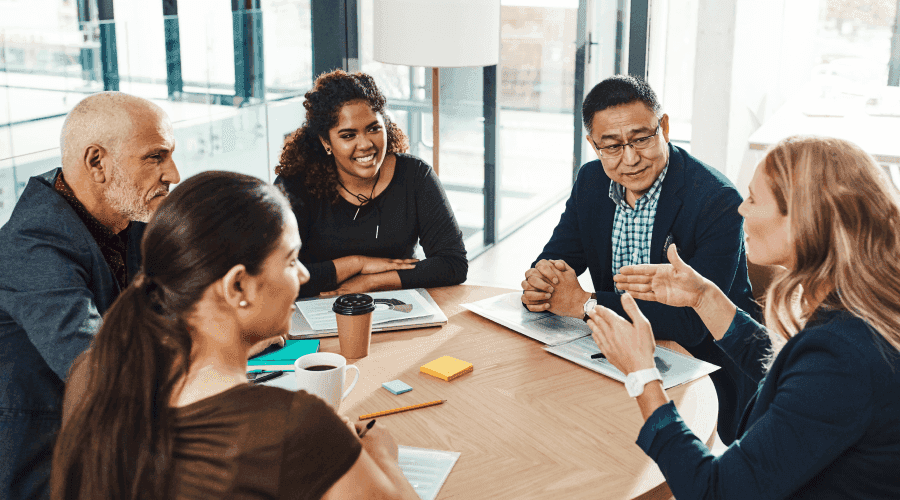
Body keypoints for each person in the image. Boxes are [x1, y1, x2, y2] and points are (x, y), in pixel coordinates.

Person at [51, 171, 420, 500]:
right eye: (291, 261)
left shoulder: (92, 373)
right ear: (238, 286)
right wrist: (382, 455)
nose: (305, 275)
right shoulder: (295, 427)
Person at [597, 136, 900, 499]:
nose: (741, 209)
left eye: (754, 199)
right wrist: (703, 297)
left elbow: (715, 492)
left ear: (804, 220)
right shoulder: (859, 307)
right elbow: (792, 378)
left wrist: (642, 375)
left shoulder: (843, 357)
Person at [520, 75, 756, 445]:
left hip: (698, 367)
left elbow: (693, 322)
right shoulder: (592, 181)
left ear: (663, 126)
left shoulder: (717, 199)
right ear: (593, 144)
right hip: (611, 355)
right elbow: (558, 257)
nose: (629, 159)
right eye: (611, 146)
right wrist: (542, 282)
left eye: (641, 139)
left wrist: (585, 304)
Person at [0, 92, 181, 500]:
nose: (173, 173)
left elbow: (182, 301)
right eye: (156, 157)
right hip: (49, 471)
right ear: (97, 163)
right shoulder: (31, 248)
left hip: (121, 447)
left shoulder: (128, 217)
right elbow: (103, 371)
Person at [274, 70, 467, 298]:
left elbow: (453, 264)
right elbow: (275, 278)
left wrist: (372, 282)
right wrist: (357, 264)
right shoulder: (294, 186)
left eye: (374, 128)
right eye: (348, 135)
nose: (366, 144)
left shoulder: (415, 176)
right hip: (317, 311)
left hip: (397, 307)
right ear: (326, 141)